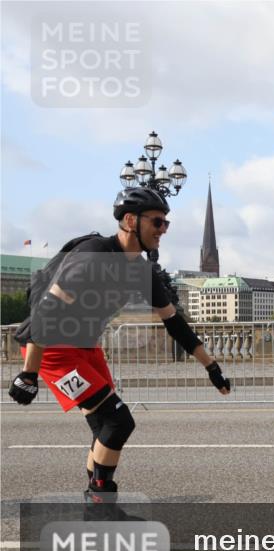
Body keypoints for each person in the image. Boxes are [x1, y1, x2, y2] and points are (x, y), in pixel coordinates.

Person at [8, 187, 231, 508]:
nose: (163, 230)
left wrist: (212, 367)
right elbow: (46, 310)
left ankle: (95, 505)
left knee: (104, 425)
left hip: (84, 347)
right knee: (118, 421)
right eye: (157, 222)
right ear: (130, 220)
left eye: (166, 224)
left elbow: (175, 323)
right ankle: (101, 507)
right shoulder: (94, 255)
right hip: (53, 349)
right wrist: (29, 374)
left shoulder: (141, 270)